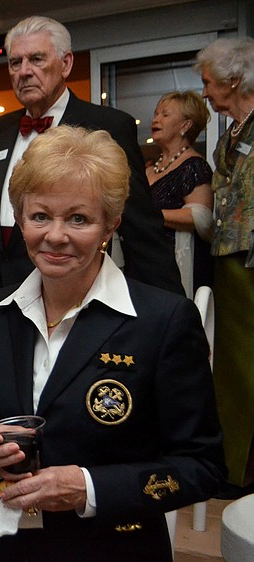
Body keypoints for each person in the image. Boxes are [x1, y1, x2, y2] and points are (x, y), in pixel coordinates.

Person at [0, 125, 225, 562]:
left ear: (111, 223)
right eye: (39, 216)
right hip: (8, 546)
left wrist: (86, 487)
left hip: (112, 548)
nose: (55, 235)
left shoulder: (163, 321)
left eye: (79, 218)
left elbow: (201, 467)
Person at [0, 15, 183, 318]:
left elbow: (141, 229)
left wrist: (175, 317)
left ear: (66, 64)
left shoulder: (108, 125)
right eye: (15, 63)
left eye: (36, 59)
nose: (24, 72)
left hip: (75, 296)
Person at [196, 37, 254, 493]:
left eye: (209, 83)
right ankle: (234, 467)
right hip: (229, 259)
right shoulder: (233, 130)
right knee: (232, 367)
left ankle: (243, 470)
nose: (206, 93)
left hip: (249, 260)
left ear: (234, 81)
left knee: (245, 365)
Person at [146, 91, 214, 295]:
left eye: (165, 114)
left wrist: (150, 216)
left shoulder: (194, 166)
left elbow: (201, 217)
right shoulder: (148, 169)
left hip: (176, 268)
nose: (156, 119)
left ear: (186, 125)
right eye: (156, 113)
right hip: (146, 262)